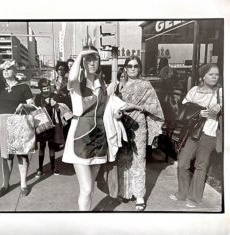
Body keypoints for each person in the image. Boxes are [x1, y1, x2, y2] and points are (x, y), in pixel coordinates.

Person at [62, 46, 142, 211]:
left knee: (90, 189)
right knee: (85, 188)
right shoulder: (78, 83)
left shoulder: (102, 84)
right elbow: (71, 78)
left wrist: (118, 113)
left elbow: (110, 106)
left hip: (100, 137)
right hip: (80, 137)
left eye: (95, 58)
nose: (92, 62)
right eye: (88, 59)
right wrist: (80, 55)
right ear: (82, 61)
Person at [109, 55, 164, 211]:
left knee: (139, 159)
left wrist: (136, 107)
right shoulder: (118, 86)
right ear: (125, 68)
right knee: (122, 158)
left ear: (140, 68)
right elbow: (110, 104)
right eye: (130, 66)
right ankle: (124, 191)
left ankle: (139, 195)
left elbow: (153, 107)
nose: (132, 68)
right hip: (120, 124)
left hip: (138, 125)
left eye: (136, 66)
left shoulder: (146, 86)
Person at [169, 63, 222, 208]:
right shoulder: (194, 91)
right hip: (193, 132)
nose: (214, 77)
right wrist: (198, 113)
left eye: (216, 74)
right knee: (182, 163)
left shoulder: (221, 93)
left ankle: (194, 198)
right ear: (203, 76)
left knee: (201, 165)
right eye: (211, 74)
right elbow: (184, 107)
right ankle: (182, 193)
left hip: (209, 133)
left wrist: (221, 106)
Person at [0, 60, 34, 197]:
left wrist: (23, 105)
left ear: (15, 72)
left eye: (9, 68)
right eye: (4, 69)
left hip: (18, 121)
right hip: (3, 123)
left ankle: (23, 184)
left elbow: (32, 105)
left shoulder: (23, 87)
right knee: (6, 156)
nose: (5, 71)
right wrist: (1, 65)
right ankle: (5, 184)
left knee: (21, 154)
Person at [34, 78, 62, 178]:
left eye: (47, 88)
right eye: (44, 88)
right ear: (40, 89)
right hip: (42, 124)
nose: (46, 90)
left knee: (51, 146)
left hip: (52, 124)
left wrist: (54, 100)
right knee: (42, 146)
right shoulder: (38, 97)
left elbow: (58, 104)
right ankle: (40, 169)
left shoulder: (53, 96)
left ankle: (53, 167)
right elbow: (36, 109)